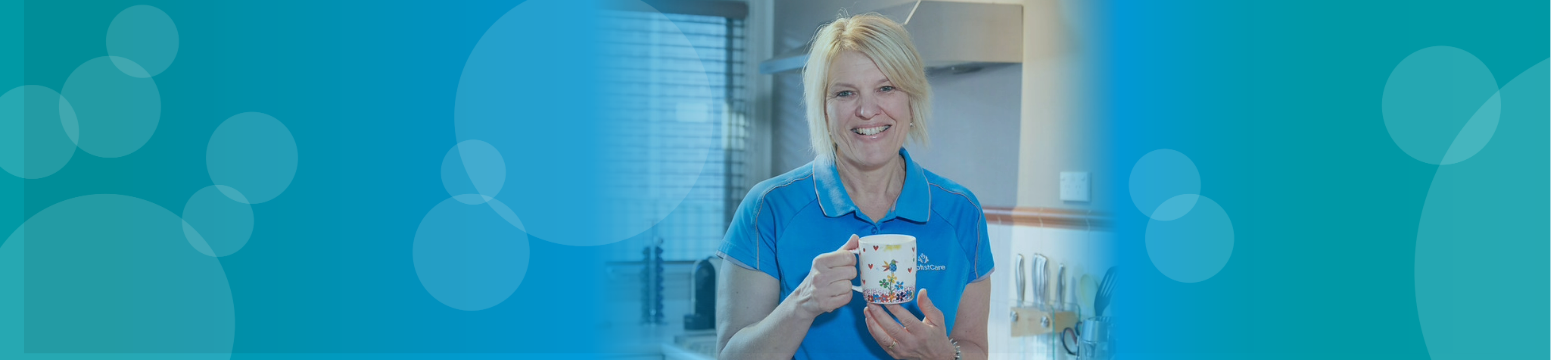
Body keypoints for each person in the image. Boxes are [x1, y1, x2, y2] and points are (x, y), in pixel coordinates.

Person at [714, 13, 992, 360]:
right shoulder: (768, 208)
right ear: (825, 111)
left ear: (911, 100)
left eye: (886, 88)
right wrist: (802, 304)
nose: (866, 110)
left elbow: (975, 347)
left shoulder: (962, 212)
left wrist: (947, 356)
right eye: (845, 93)